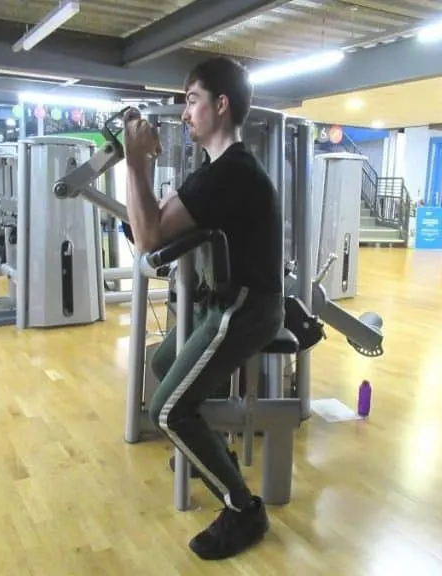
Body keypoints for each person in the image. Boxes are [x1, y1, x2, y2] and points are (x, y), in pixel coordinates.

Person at [121, 56, 283, 560]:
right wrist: (137, 169)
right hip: (226, 303)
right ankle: (215, 451)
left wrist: (135, 163)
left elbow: (147, 236)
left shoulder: (230, 172)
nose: (185, 112)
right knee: (163, 362)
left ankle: (243, 509)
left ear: (220, 104)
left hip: (248, 310)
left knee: (166, 408)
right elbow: (153, 226)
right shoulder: (219, 171)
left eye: (191, 100)